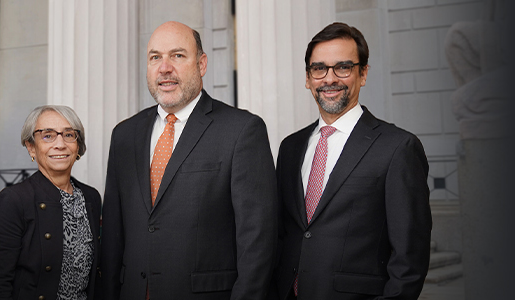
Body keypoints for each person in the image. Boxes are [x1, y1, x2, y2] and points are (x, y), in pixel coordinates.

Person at [96, 21, 278, 300]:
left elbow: (258, 242)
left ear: (201, 64)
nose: (164, 67)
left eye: (177, 55)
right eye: (155, 57)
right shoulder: (124, 135)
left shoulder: (241, 130)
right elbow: (112, 236)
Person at [273, 22, 431, 300]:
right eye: (319, 68)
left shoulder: (397, 147)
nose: (329, 79)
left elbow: (410, 256)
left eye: (343, 67)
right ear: (308, 78)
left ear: (363, 74)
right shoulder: (290, 147)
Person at [0, 105, 101, 300]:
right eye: (48, 136)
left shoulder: (90, 197)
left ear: (78, 145)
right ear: (31, 147)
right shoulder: (12, 201)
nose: (60, 144)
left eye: (69, 135)